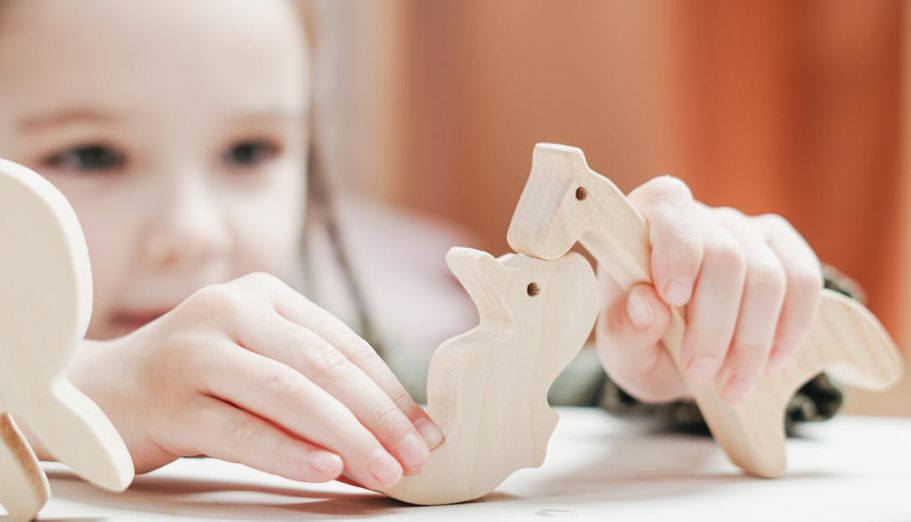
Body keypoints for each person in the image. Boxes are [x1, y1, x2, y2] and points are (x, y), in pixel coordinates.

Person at [0, 0, 834, 491]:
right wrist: (65, 394)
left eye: (249, 152)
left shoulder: (361, 372)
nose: (194, 232)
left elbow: (544, 389)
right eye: (90, 155)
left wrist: (694, 330)